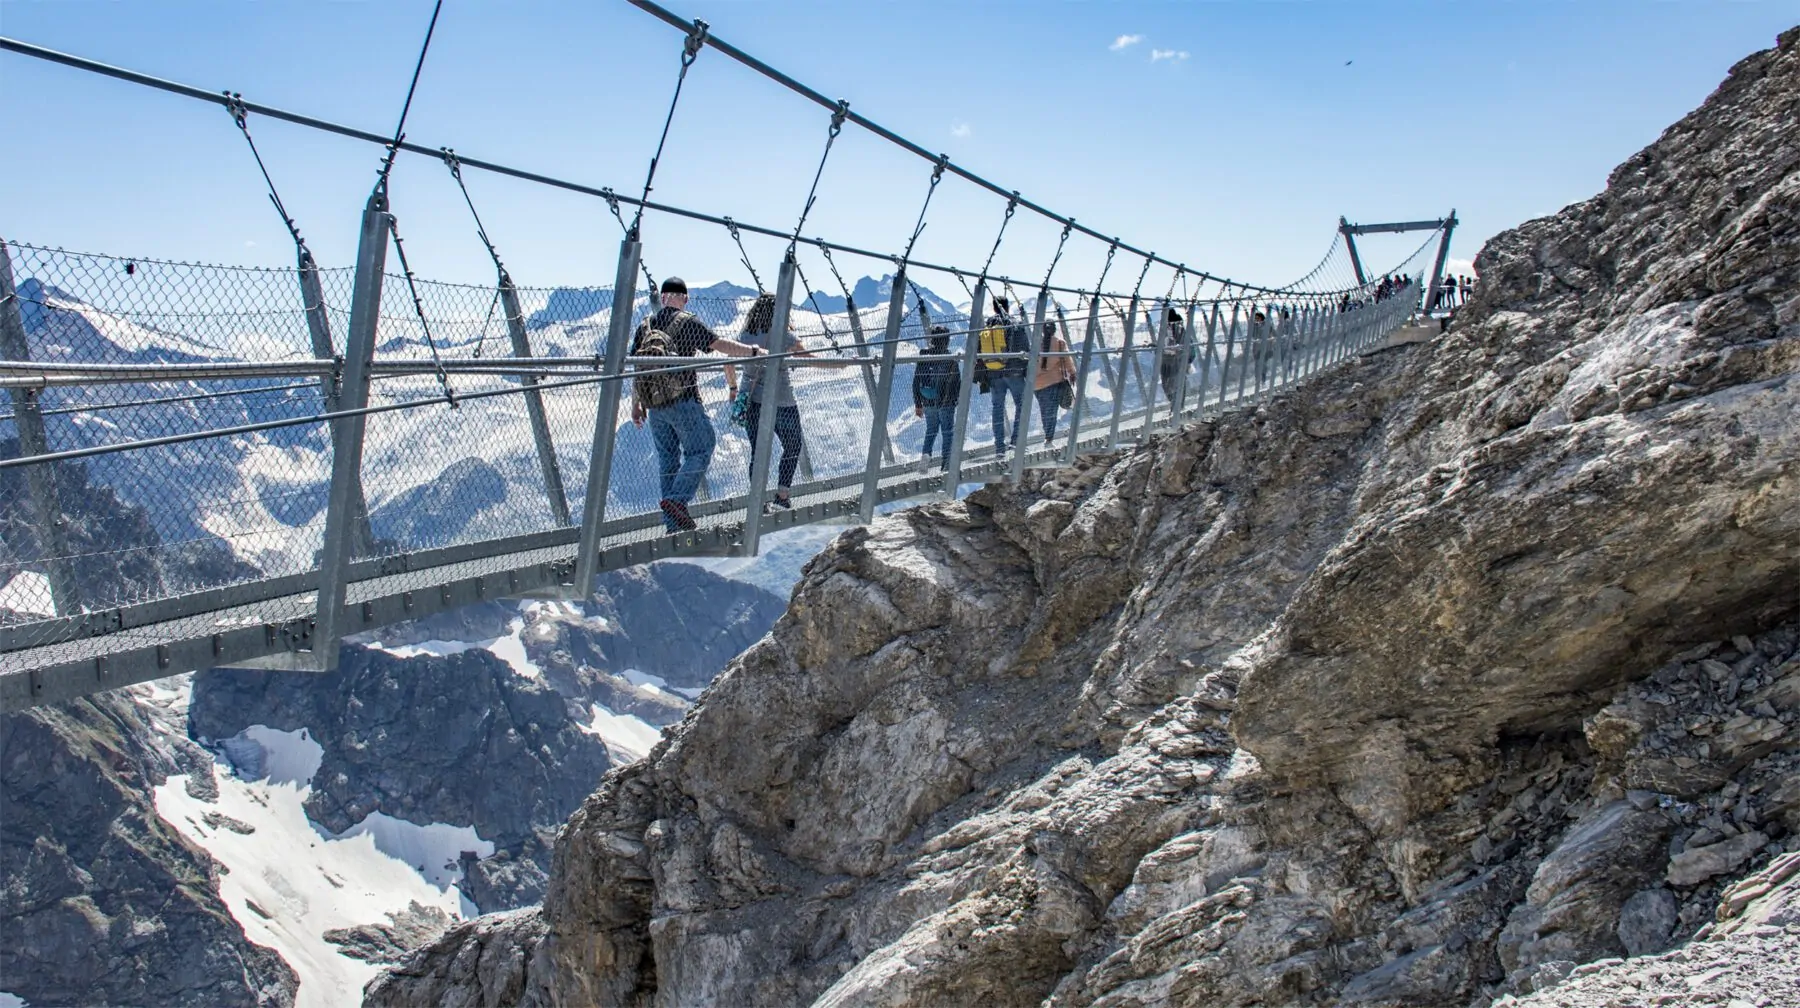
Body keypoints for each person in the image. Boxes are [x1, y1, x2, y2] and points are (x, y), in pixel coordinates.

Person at [630, 276, 767, 533]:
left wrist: (636, 405)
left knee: (667, 460)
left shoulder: (644, 327)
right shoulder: (686, 322)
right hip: (684, 401)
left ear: (662, 297)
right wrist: (754, 352)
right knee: (702, 447)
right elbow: (719, 345)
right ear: (684, 298)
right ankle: (676, 502)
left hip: (655, 405)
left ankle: (673, 524)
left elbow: (637, 367)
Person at [722, 293, 844, 512]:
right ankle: (783, 495)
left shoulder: (745, 335)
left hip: (753, 403)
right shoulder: (784, 336)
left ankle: (758, 502)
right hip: (783, 402)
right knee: (792, 445)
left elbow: (728, 362)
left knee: (758, 452)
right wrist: (841, 364)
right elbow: (811, 360)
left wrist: (733, 388)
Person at [977, 295, 1029, 457]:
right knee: (1022, 404)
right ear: (1007, 307)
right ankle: (1016, 441)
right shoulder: (1013, 324)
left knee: (997, 408)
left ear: (993, 308)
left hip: (993, 373)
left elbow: (979, 350)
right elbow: (1025, 347)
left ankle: (999, 446)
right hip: (1014, 373)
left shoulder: (987, 327)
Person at [912, 325, 961, 471]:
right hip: (946, 402)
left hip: (928, 400)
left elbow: (916, 381)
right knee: (947, 432)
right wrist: (955, 400)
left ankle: (926, 455)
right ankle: (946, 464)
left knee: (931, 430)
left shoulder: (924, 357)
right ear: (947, 340)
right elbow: (957, 382)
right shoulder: (950, 358)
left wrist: (918, 404)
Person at [1033, 319, 1078, 448]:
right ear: (1054, 330)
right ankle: (1049, 438)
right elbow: (1067, 359)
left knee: (1045, 410)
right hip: (1054, 381)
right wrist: (1072, 373)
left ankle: (1048, 436)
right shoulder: (1059, 343)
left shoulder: (1035, 344)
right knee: (1052, 410)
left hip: (1037, 384)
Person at [1157, 307, 1188, 404]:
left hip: (1172, 361)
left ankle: (1176, 405)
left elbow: (1175, 344)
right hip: (1169, 361)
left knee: (1172, 384)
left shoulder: (1175, 327)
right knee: (1172, 384)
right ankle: (1176, 404)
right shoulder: (1169, 327)